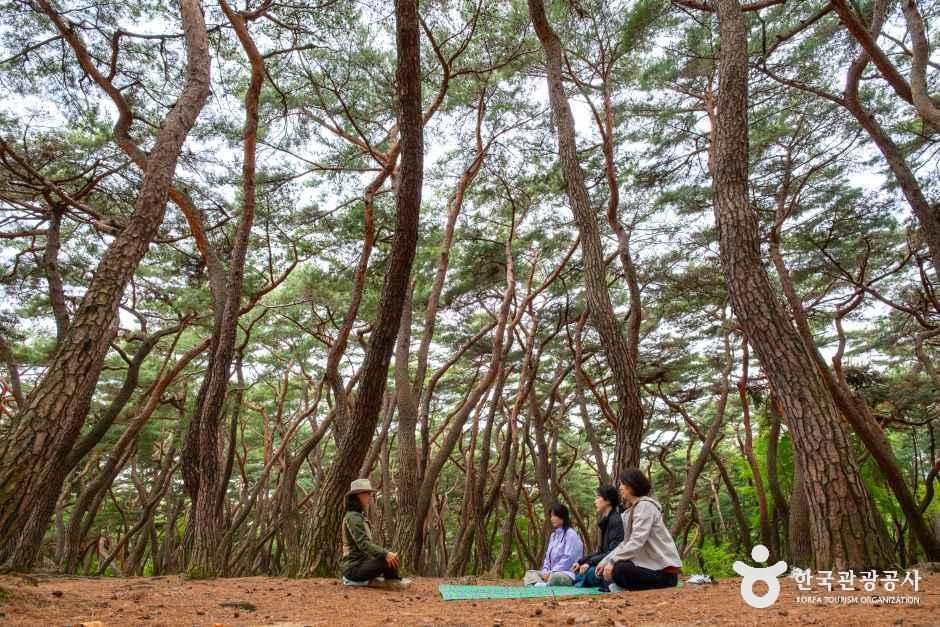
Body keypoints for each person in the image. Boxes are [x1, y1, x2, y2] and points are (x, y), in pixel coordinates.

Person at [596, 468, 682, 591]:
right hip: (648, 568)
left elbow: (637, 541)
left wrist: (613, 562)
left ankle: (626, 588)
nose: (620, 488)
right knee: (605, 573)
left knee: (619, 569)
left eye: (622, 484)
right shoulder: (630, 512)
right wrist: (606, 561)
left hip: (663, 573)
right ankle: (622, 587)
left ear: (631, 486)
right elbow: (625, 543)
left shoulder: (645, 506)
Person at [340, 478, 410, 590]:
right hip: (353, 568)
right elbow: (363, 543)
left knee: (391, 559)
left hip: (362, 564)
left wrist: (387, 554)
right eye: (367, 493)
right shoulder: (353, 517)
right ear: (358, 495)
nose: (369, 496)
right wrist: (385, 554)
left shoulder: (358, 516)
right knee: (387, 559)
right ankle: (392, 582)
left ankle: (392, 581)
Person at [574, 485, 624, 590]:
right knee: (580, 572)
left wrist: (589, 563)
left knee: (590, 573)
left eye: (598, 497)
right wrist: (581, 561)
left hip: (613, 564)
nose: (595, 501)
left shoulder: (616, 520)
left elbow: (614, 551)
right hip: (604, 561)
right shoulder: (606, 521)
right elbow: (601, 551)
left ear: (608, 501)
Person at [523, 503, 584, 587]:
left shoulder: (571, 534)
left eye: (555, 516)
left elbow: (568, 558)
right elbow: (547, 558)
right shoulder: (553, 535)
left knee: (556, 577)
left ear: (562, 516)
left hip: (566, 574)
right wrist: (545, 571)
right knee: (530, 573)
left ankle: (539, 586)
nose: (552, 519)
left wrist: (553, 572)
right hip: (550, 574)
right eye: (551, 516)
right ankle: (544, 585)